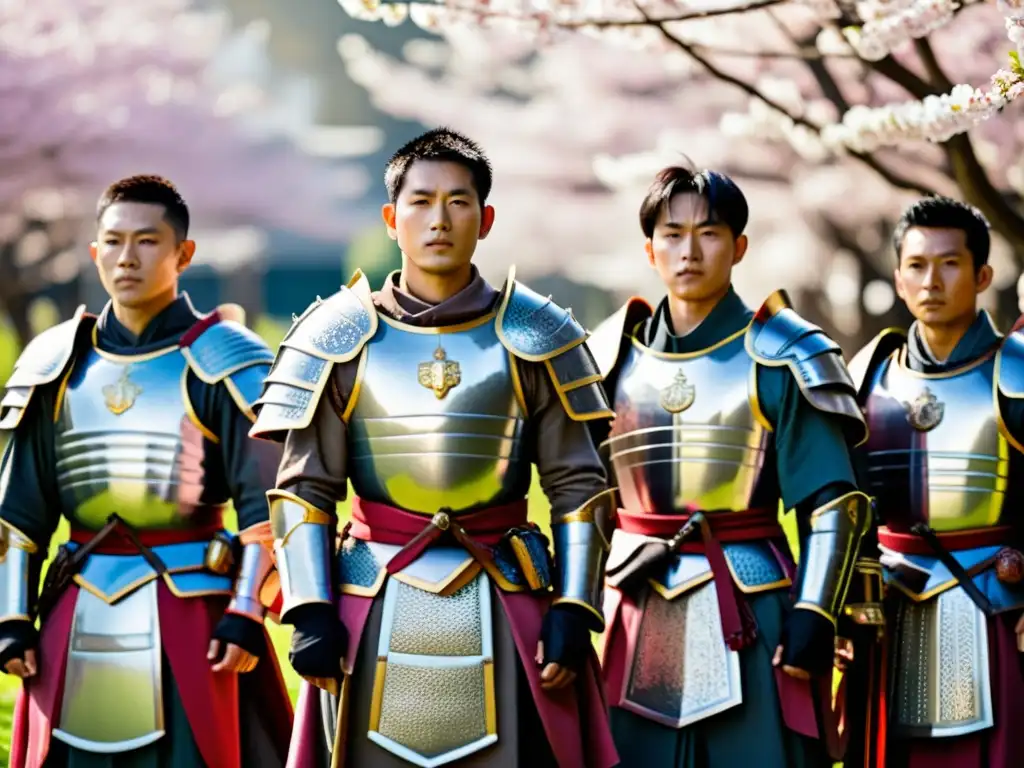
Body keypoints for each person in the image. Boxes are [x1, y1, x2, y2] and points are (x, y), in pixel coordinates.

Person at [249, 127, 620, 767]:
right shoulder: (338, 335)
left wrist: (575, 607)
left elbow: (579, 484)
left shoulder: (537, 333)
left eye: (458, 201)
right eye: (420, 202)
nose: (439, 219)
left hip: (508, 596)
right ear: (392, 219)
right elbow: (305, 486)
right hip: (369, 599)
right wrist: (311, 609)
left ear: (486, 217)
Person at [0, 175, 293, 768]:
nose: (126, 258)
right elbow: (19, 513)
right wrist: (10, 616)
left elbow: (267, 506)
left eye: (147, 241)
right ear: (94, 252)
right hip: (73, 608)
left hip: (194, 615)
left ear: (183, 254)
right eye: (112, 241)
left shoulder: (223, 360)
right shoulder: (57, 362)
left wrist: (244, 613)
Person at [587, 164, 871, 768]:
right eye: (672, 233)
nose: (689, 250)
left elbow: (831, 502)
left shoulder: (783, 354)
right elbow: (579, 499)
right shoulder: (609, 357)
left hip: (753, 610)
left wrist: (816, 611)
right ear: (649, 248)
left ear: (739, 247)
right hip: (634, 608)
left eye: (709, 233)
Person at [848, 196, 1024, 767]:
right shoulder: (868, 373)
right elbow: (842, 507)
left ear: (983, 276)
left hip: (996, 605)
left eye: (950, 264)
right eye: (918, 266)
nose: (932, 281)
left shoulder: (1015, 368)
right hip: (888, 610)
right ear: (898, 279)